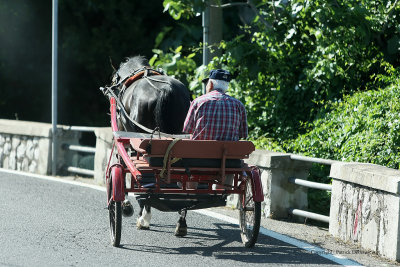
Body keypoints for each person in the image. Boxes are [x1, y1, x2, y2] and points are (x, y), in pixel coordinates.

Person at [182, 69, 248, 188]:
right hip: (228, 162)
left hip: (198, 161)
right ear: (226, 86)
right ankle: (222, 191)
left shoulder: (198, 102)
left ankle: (191, 190)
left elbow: (187, 130)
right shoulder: (239, 105)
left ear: (211, 84)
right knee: (232, 157)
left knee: (189, 150)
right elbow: (242, 134)